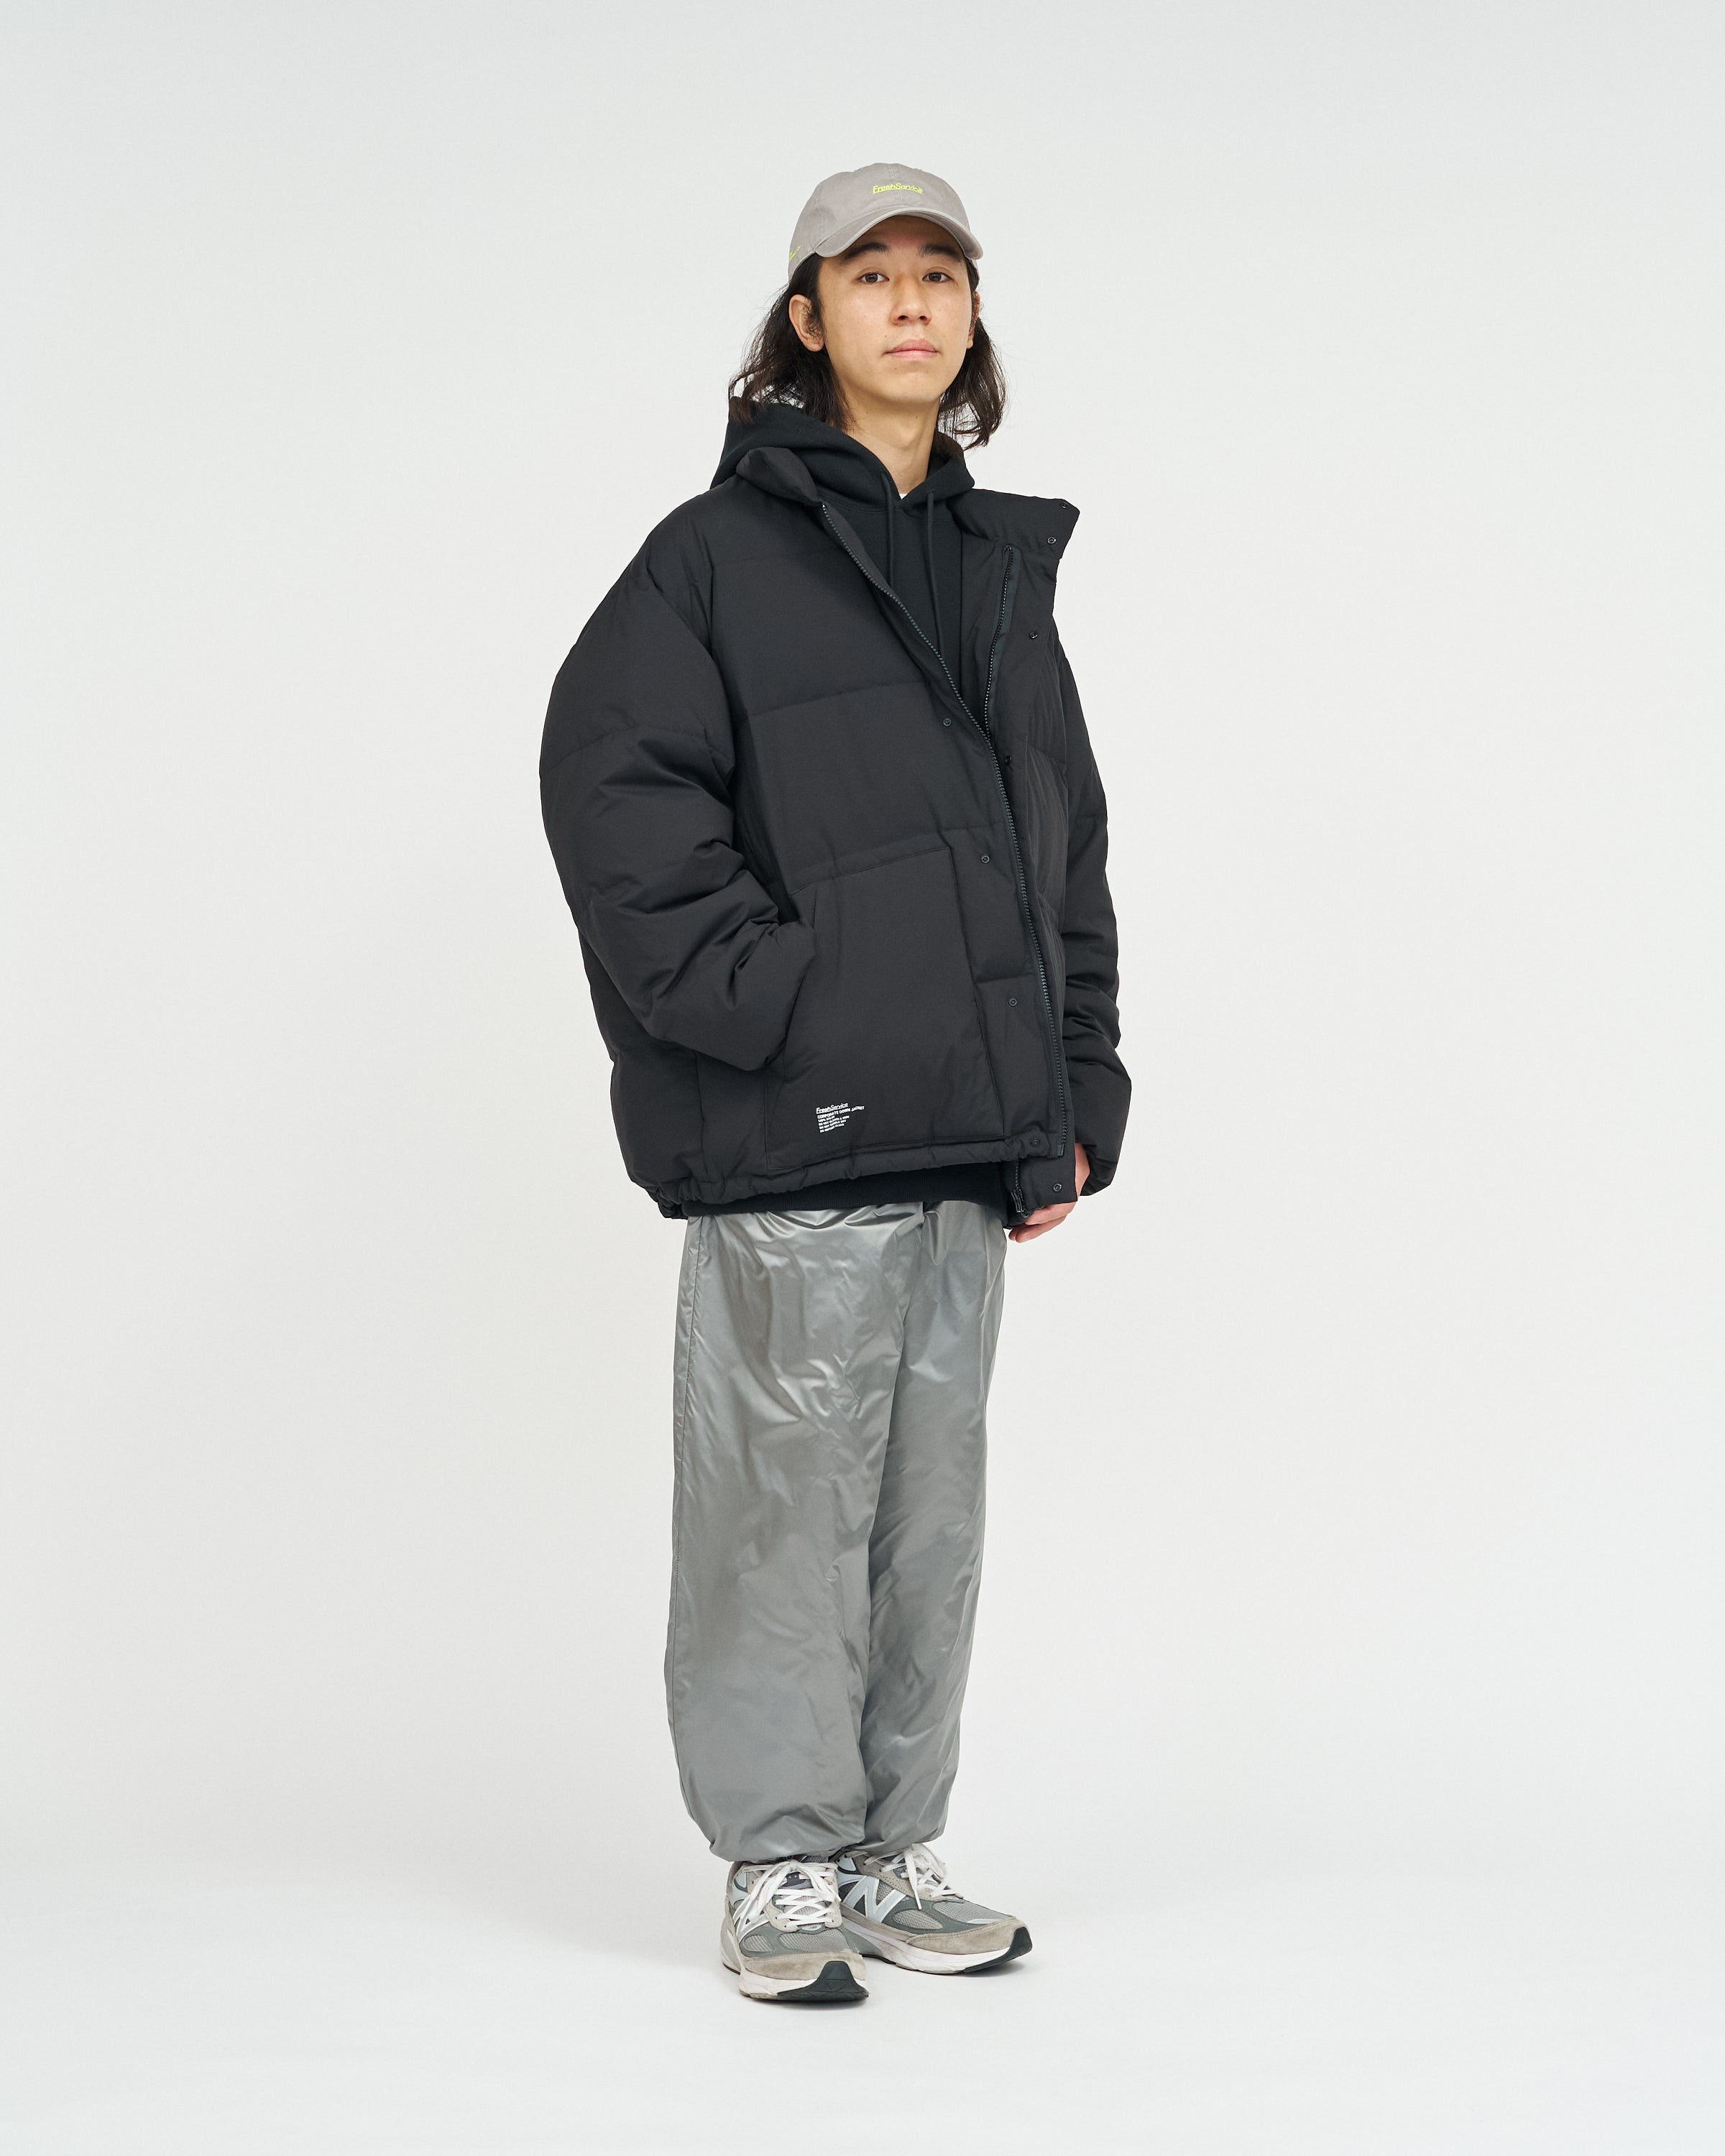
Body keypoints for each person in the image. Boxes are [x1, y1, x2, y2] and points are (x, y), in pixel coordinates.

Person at [540, 163, 1128, 2004]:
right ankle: (780, 1859)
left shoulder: (994, 569)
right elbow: (614, 790)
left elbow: (1062, 847)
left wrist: (1075, 1085)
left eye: (942, 273)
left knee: (925, 1524)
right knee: (780, 1513)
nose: (912, 303)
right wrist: (778, 1002)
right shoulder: (712, 560)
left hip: (970, 1130)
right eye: (870, 274)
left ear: (974, 316)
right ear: (807, 319)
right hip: (800, 1131)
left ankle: (889, 1844)